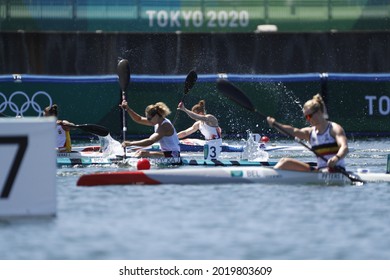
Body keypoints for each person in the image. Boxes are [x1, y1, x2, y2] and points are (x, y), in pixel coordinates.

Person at [266, 94, 349, 172]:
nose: (308, 119)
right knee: (285, 162)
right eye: (306, 117)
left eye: (309, 116)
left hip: (337, 171)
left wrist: (336, 158)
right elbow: (294, 131)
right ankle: (269, 176)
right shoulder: (310, 132)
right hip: (320, 171)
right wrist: (275, 124)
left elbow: (344, 147)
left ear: (319, 112)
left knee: (285, 162)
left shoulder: (334, 129)